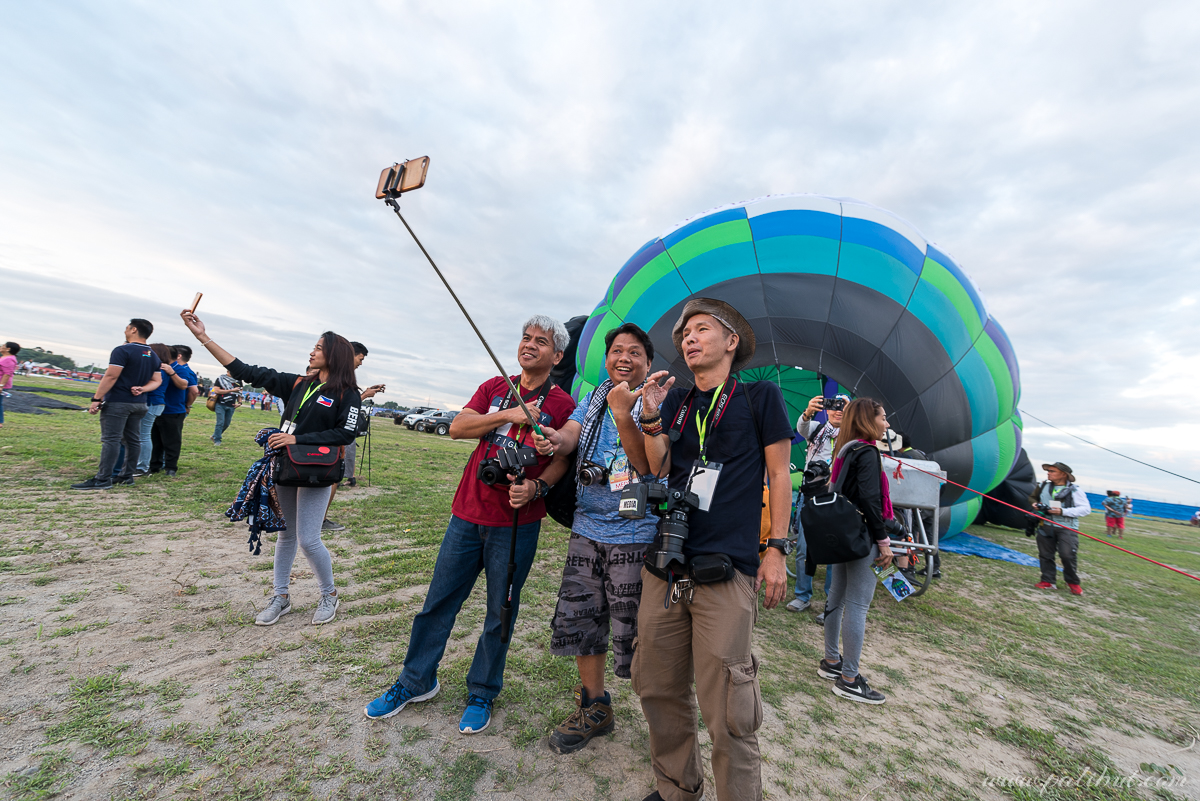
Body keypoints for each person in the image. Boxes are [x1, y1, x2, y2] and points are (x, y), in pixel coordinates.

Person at [363, 316, 575, 735]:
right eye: (526, 337)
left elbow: (563, 457)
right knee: (438, 603)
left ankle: (482, 691)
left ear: (557, 355)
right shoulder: (496, 387)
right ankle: (415, 681)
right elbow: (459, 427)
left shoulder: (562, 403)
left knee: (500, 611)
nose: (530, 345)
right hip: (467, 514)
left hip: (516, 523)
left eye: (541, 341)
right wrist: (510, 413)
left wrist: (537, 487)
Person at [633, 298, 792, 801]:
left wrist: (776, 549)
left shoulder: (759, 396)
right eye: (685, 333)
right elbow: (658, 468)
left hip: (726, 569)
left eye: (702, 329)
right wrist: (651, 417)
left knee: (728, 707)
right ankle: (677, 788)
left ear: (731, 342)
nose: (689, 338)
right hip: (666, 565)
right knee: (657, 687)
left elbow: (779, 474)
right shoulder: (677, 401)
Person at [180, 308, 362, 626]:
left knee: (309, 539)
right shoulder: (298, 383)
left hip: (318, 472)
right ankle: (281, 596)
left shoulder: (348, 394)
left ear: (333, 356)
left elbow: (346, 433)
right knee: (285, 536)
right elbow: (246, 370)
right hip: (286, 467)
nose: (312, 352)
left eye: (318, 348)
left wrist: (297, 439)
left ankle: (329, 594)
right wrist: (203, 337)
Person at [531, 322, 658, 755]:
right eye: (617, 350)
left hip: (635, 534)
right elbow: (571, 433)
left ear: (648, 363)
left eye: (635, 352)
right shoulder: (594, 396)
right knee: (582, 620)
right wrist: (556, 438)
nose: (624, 358)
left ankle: (662, 723)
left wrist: (628, 413)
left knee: (636, 632)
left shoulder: (655, 401)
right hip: (587, 528)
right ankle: (595, 706)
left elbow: (651, 467)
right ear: (606, 360)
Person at [815, 398, 897, 705]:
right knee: (858, 605)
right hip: (863, 537)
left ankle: (831, 661)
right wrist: (884, 540)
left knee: (836, 598)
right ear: (867, 420)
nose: (887, 424)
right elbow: (871, 500)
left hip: (843, 535)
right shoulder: (868, 452)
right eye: (883, 417)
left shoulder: (844, 450)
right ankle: (849, 679)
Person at [71, 320, 162, 490]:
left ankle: (103, 479)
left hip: (119, 401)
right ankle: (127, 476)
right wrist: (142, 389)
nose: (125, 331)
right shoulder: (153, 355)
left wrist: (97, 399)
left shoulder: (123, 350)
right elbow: (157, 380)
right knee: (133, 440)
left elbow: (111, 376)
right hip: (139, 404)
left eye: (127, 328)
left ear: (134, 329)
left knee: (111, 440)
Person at [786, 392, 849, 617]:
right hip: (810, 496)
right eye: (833, 405)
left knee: (834, 553)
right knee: (804, 548)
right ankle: (802, 596)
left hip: (836, 500)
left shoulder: (851, 434)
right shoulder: (816, 429)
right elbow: (801, 427)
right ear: (826, 408)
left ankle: (832, 603)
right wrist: (808, 412)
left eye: (843, 406)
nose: (837, 410)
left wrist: (851, 416)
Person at [323, 342, 384, 529]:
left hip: (332, 436)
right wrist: (364, 395)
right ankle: (320, 519)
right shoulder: (337, 375)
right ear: (351, 354)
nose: (361, 363)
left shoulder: (337, 374)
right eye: (360, 358)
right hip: (334, 437)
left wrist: (365, 392)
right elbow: (340, 405)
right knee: (332, 478)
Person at [1030, 462, 1091, 595]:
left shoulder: (1075, 490)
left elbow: (1086, 509)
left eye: (1052, 471)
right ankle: (1048, 581)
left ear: (1063, 474)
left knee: (1067, 555)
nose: (1049, 473)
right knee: (1045, 554)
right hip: (1045, 525)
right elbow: (1033, 498)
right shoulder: (1043, 486)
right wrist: (1035, 504)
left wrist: (1063, 511)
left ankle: (1073, 582)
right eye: (1048, 471)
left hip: (1066, 527)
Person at [149, 345, 199, 477]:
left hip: (173, 410)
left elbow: (185, 386)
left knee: (172, 441)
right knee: (155, 440)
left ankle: (171, 467)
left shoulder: (180, 369)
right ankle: (154, 465)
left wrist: (187, 406)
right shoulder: (159, 367)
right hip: (157, 408)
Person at [132, 344, 175, 476]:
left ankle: (142, 467)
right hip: (157, 403)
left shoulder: (159, 369)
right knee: (144, 435)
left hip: (152, 403)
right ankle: (142, 465)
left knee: (143, 436)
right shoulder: (164, 368)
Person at [210, 369, 242, 446]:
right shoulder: (220, 379)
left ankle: (214, 436)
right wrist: (231, 390)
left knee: (226, 423)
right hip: (220, 404)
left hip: (231, 405)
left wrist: (239, 403)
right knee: (220, 422)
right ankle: (217, 440)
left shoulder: (238, 381)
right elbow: (217, 391)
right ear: (227, 371)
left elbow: (240, 393)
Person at [0, 341, 18, 428]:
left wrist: (1, 386)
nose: (1, 347)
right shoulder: (4, 357)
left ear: (8, 349)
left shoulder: (9, 359)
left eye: (3, 346)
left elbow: (7, 374)